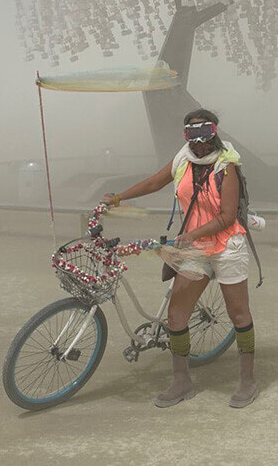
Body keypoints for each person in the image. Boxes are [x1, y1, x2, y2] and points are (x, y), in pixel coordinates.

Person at [101, 109, 258, 408]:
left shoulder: (227, 167)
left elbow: (227, 216)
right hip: (195, 245)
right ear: (185, 135)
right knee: (176, 314)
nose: (199, 143)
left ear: (215, 134)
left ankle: (247, 381)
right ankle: (181, 380)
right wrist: (119, 197)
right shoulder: (182, 160)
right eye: (192, 135)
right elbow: (153, 182)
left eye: (204, 134)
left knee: (239, 314)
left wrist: (192, 233)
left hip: (227, 245)